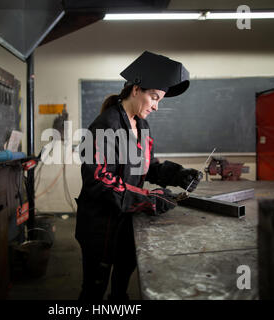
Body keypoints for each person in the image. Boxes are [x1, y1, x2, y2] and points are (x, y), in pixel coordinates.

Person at [75, 51, 203, 301]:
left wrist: (178, 175)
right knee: (94, 290)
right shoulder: (106, 125)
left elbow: (148, 166)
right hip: (101, 225)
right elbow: (100, 181)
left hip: (128, 222)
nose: (156, 106)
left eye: (160, 100)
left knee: (122, 284)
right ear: (136, 90)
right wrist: (148, 198)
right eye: (154, 97)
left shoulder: (141, 125)